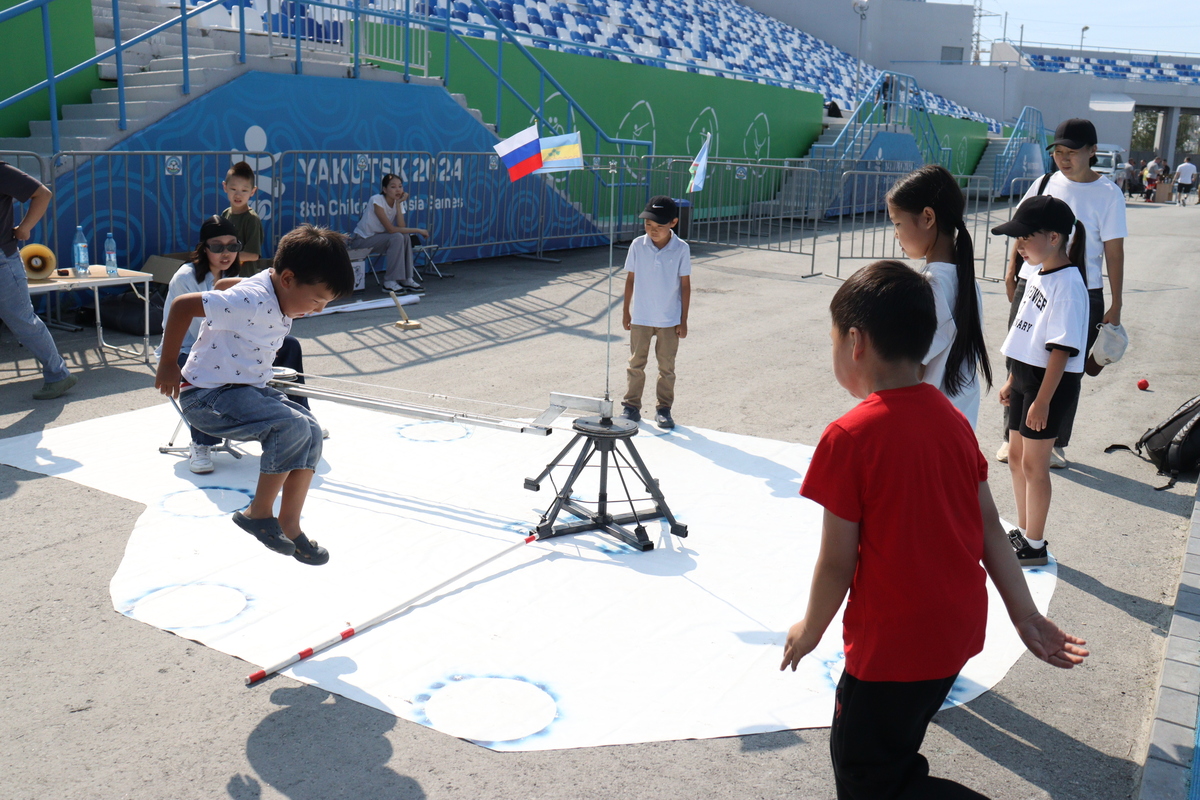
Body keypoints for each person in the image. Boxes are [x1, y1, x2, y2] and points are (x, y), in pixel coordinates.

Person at [780, 260, 1088, 800]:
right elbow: (991, 528)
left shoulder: (849, 437)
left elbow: (836, 562)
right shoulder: (952, 422)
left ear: (855, 342)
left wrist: (809, 629)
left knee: (868, 779)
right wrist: (1024, 614)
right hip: (953, 634)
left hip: (890, 649)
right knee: (895, 755)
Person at [155, 225, 355, 565]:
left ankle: (290, 524)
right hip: (207, 397)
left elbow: (221, 287)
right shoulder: (253, 300)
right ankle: (257, 513)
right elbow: (181, 306)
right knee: (289, 427)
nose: (318, 310)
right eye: (317, 300)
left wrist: (227, 293)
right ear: (289, 278)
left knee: (309, 430)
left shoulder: (268, 283)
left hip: (243, 389)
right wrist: (168, 365)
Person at [997, 118, 1126, 469]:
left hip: (1082, 290)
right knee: (1020, 359)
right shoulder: (1043, 183)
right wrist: (1012, 272)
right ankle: (1012, 435)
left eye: (1072, 152)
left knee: (1068, 369)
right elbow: (1021, 227)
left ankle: (1054, 441)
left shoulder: (1109, 193)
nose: (1064, 159)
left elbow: (1114, 251)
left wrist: (1116, 302)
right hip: (1033, 282)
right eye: (1059, 152)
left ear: (1092, 152)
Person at [157, 215, 314, 474]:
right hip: (185, 348)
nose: (226, 253)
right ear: (203, 248)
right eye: (217, 246)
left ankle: (300, 411)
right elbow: (201, 330)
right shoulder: (185, 276)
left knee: (291, 345)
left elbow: (238, 302)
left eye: (233, 246)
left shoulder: (233, 273)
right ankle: (201, 443)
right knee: (208, 372)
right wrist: (166, 364)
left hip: (229, 341)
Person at [994, 196, 1090, 566]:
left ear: (1053, 237)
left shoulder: (1068, 284)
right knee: (1017, 458)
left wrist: (1043, 400)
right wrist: (1011, 379)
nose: (1018, 245)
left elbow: (1061, 351)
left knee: (1036, 465)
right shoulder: (1037, 271)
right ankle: (1023, 530)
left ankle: (1034, 544)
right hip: (1025, 376)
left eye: (1024, 238)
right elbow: (1026, 333)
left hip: (1047, 385)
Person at [886, 164, 992, 428]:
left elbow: (911, 367)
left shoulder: (931, 285)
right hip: (959, 421)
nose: (896, 234)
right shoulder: (964, 279)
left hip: (928, 425)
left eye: (897, 223)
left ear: (928, 217)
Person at [0, 161, 77, 400]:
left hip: (3, 259)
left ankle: (58, 374)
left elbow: (42, 194)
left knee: (22, 320)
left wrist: (24, 228)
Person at [620, 195, 691, 430]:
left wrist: (683, 320)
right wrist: (626, 312)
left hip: (669, 320)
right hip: (641, 316)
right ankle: (631, 406)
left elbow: (685, 286)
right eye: (648, 225)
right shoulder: (637, 246)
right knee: (635, 363)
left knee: (666, 367)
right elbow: (630, 279)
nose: (652, 230)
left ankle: (664, 409)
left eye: (659, 226)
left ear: (673, 222)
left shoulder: (681, 248)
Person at [347, 173, 429, 294]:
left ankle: (406, 278)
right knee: (396, 237)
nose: (398, 190)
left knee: (404, 236)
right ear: (385, 189)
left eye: (400, 186)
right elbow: (391, 229)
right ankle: (389, 282)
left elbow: (401, 227)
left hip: (380, 239)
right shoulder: (376, 200)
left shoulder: (398, 202)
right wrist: (418, 230)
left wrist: (398, 204)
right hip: (363, 240)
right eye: (393, 187)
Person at [221, 161, 269, 274]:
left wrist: (224, 257)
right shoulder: (225, 214)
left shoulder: (252, 219)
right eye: (233, 189)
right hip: (225, 276)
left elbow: (253, 254)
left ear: (253, 191)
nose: (238, 195)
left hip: (244, 279)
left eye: (244, 190)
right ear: (225, 187)